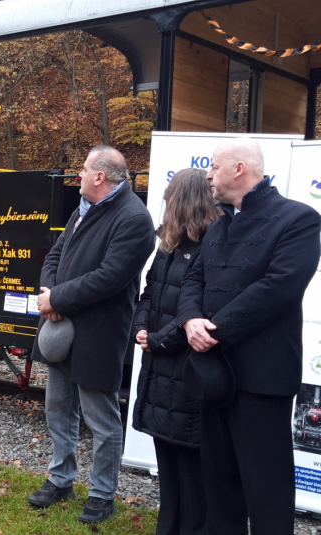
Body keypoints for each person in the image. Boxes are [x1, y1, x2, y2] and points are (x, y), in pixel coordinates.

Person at [177, 138, 321, 535]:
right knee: (219, 482)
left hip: (262, 378)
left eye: (215, 168)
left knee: (266, 488)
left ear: (240, 168)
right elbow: (194, 279)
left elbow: (279, 288)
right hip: (214, 375)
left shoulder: (299, 219)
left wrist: (214, 331)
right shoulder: (219, 225)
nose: (207, 175)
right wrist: (190, 320)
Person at [28, 146, 155, 523]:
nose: (78, 175)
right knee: (58, 410)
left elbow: (109, 278)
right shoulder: (83, 209)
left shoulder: (134, 218)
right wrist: (50, 296)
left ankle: (102, 494)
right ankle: (60, 479)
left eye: (83, 170)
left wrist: (58, 300)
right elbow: (54, 256)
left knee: (101, 419)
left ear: (100, 176)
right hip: (61, 326)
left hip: (98, 334)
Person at [132, 168, 218, 535]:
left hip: (186, 374)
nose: (163, 203)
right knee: (166, 461)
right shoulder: (166, 247)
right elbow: (148, 294)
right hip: (158, 373)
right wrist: (139, 328)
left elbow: (199, 313)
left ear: (182, 201)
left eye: (168, 197)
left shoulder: (210, 248)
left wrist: (157, 339)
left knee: (191, 469)